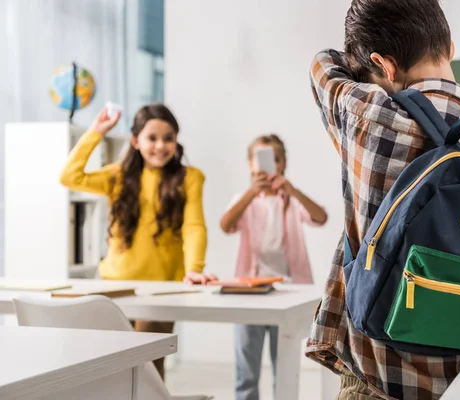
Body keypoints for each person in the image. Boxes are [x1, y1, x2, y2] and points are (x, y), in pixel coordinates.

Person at [306, 1, 460, 398]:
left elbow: (322, 63)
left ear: (383, 67)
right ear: (450, 48)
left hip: (373, 384)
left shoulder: (365, 116)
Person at [60, 104, 216, 379]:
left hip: (162, 288)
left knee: (149, 370)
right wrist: (96, 131)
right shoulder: (117, 176)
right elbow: (70, 177)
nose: (160, 145)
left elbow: (194, 227)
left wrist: (195, 268)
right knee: (112, 369)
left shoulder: (190, 178)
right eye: (152, 138)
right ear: (135, 141)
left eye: (168, 138)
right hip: (115, 286)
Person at [219, 134, 327, 400]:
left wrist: (293, 191)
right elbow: (226, 225)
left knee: (286, 368)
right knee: (247, 372)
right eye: (261, 159)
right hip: (249, 295)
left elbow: (320, 217)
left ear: (283, 163)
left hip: (287, 294)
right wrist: (251, 192)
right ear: (250, 165)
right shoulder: (245, 200)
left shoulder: (290, 203)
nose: (269, 165)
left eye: (274, 159)